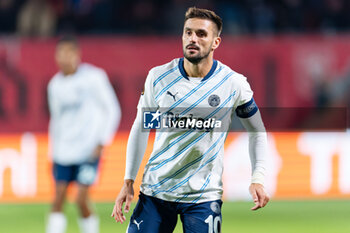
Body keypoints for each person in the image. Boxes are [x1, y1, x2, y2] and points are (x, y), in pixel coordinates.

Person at [111, 7, 269, 233]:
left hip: (202, 197)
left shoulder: (233, 84)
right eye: (188, 32)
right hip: (156, 192)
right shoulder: (160, 77)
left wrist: (258, 178)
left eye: (201, 34)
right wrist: (128, 181)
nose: (193, 39)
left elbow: (257, 131)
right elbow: (142, 127)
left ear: (216, 42)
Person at [47, 36, 121, 233]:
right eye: (61, 53)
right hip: (63, 151)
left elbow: (112, 109)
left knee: (81, 199)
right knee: (58, 199)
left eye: (69, 53)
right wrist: (51, 152)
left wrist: (102, 141)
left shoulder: (94, 77)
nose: (64, 58)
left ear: (77, 55)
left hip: (88, 150)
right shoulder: (54, 85)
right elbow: (56, 120)